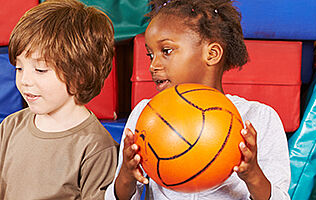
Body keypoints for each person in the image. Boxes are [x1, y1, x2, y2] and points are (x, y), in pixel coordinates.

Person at [105, 0, 290, 199]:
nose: (153, 65)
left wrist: (252, 175)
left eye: (166, 51)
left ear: (212, 54)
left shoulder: (259, 118)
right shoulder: (146, 114)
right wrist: (126, 174)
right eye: (151, 55)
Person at [0, 0, 118, 199]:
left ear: (79, 76)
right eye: (19, 68)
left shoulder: (96, 147)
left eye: (40, 70)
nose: (25, 80)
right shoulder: (11, 126)